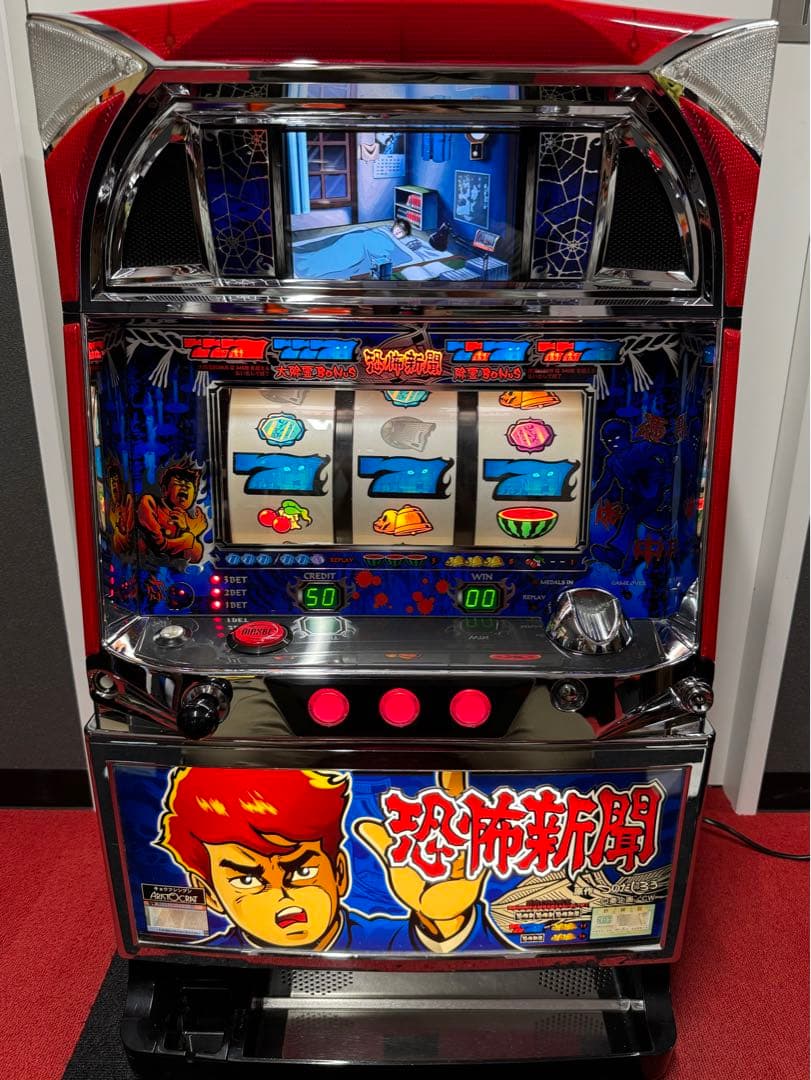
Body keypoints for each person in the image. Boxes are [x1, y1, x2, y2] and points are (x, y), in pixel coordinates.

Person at [156, 767, 510, 953]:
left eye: (301, 871)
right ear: (210, 893)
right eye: (247, 879)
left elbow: (448, 950)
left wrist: (445, 919)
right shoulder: (201, 958)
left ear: (339, 872)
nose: (283, 897)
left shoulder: (389, 939)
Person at [137, 455, 208, 564]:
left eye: (188, 485)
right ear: (164, 490)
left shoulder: (187, 518)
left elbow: (195, 557)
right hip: (150, 567)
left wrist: (185, 530)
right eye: (179, 482)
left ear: (194, 496)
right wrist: (191, 534)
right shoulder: (150, 503)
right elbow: (159, 546)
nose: (184, 487)